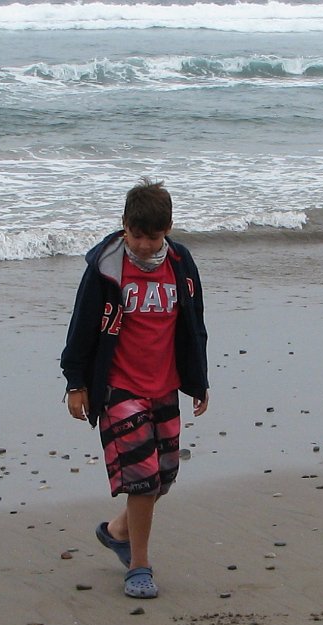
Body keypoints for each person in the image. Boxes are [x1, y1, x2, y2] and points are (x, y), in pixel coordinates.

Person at [61, 178, 209, 599]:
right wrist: (75, 382)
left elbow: (194, 324)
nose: (143, 246)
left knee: (163, 477)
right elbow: (81, 326)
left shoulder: (180, 263)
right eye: (136, 235)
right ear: (124, 225)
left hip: (165, 386)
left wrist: (199, 380)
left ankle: (116, 531)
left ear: (168, 230)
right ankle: (139, 566)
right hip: (119, 388)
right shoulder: (106, 268)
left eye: (153, 237)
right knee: (142, 482)